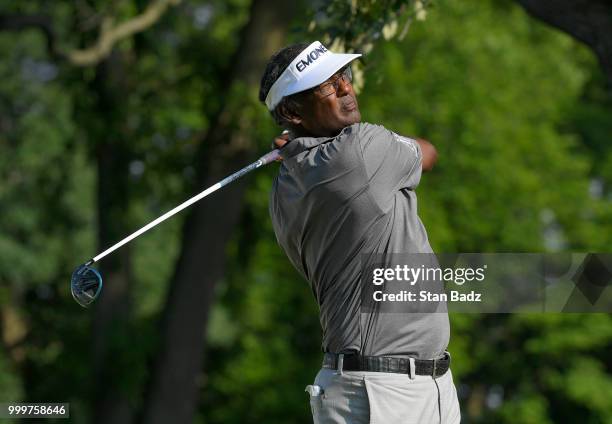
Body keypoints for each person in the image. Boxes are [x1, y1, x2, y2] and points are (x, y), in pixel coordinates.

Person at [259, 41, 461, 424]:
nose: (346, 90)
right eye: (326, 86)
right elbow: (429, 152)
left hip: (420, 385)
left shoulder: (287, 184)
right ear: (291, 111)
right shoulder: (360, 151)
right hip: (381, 393)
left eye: (344, 77)